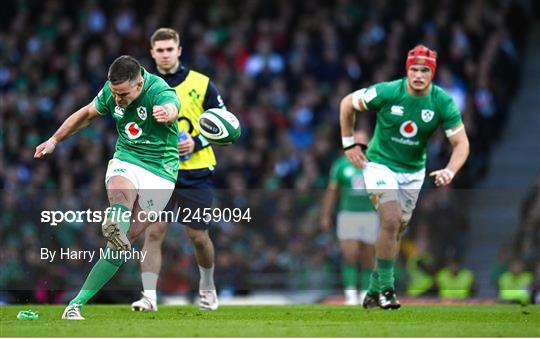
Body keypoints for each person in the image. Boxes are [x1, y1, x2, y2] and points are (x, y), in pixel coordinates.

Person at [34, 55, 180, 320]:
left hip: (161, 173)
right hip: (128, 158)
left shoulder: (159, 90)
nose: (117, 99)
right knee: (121, 203)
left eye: (122, 94)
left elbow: (173, 107)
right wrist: (55, 139)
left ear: (139, 84)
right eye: (114, 93)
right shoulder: (112, 92)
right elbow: (88, 114)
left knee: (122, 244)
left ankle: (81, 296)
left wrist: (167, 112)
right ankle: (73, 307)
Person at [339, 45, 470, 309]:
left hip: (412, 172)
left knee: (396, 230)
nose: (418, 75)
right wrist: (349, 143)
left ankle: (374, 290)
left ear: (432, 73)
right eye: (414, 69)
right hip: (379, 164)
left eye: (424, 70)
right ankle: (387, 289)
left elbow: (461, 144)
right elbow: (347, 104)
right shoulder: (388, 91)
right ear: (407, 70)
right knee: (391, 218)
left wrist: (450, 170)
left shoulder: (441, 101)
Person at [130, 28, 225, 312]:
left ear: (179, 50)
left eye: (170, 49)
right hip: (159, 170)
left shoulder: (202, 83)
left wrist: (197, 142)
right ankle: (149, 297)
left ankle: (207, 285)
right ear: (152, 53)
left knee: (198, 236)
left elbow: (226, 125)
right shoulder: (142, 86)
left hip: (196, 171)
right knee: (154, 232)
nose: (165, 54)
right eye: (159, 50)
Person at [320, 130, 378, 305]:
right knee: (350, 253)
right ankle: (351, 293)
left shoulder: (374, 165)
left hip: (369, 214)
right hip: (348, 214)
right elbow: (332, 192)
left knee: (368, 255)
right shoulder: (341, 165)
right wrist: (325, 214)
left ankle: (366, 291)